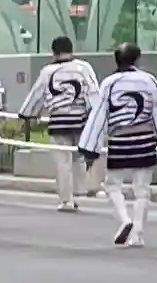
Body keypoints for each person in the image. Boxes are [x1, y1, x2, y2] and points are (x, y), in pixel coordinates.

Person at [77, 44, 157, 247]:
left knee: (112, 185)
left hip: (120, 140)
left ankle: (124, 219)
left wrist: (90, 148)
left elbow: (98, 116)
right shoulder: (148, 80)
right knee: (142, 190)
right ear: (137, 59)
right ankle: (137, 234)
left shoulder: (109, 83)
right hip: (145, 139)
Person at [18, 36, 99, 211]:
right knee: (79, 157)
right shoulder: (84, 68)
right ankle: (79, 190)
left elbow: (37, 94)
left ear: (53, 52)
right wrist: (96, 116)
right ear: (72, 49)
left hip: (58, 121)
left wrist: (27, 114)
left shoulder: (48, 72)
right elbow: (93, 93)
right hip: (80, 120)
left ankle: (66, 200)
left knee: (62, 162)